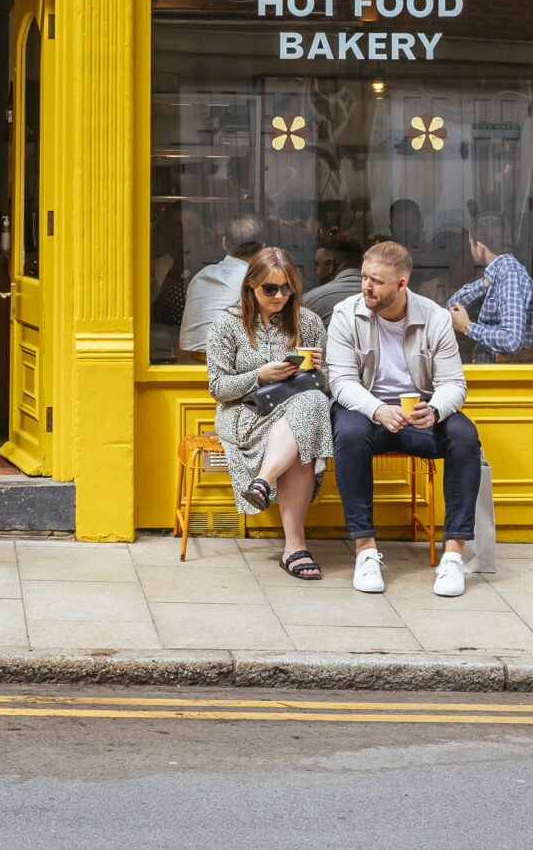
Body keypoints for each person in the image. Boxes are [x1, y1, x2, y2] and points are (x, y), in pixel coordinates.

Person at [324, 242, 483, 598]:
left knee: (464, 434)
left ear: (401, 283)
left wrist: (436, 410)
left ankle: (453, 556)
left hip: (419, 416)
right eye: (364, 277)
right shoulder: (345, 314)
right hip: (368, 413)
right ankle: (365, 551)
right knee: (348, 431)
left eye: (376, 281)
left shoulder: (435, 317)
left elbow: (454, 384)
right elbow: (341, 382)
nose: (366, 286)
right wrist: (377, 409)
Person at [205, 247, 332, 580]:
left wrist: (318, 372)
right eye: (270, 289)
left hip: (296, 412)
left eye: (287, 288)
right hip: (245, 414)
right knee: (307, 424)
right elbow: (218, 387)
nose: (280, 296)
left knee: (312, 405)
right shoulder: (227, 324)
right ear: (251, 286)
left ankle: (263, 482)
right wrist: (260, 375)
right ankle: (296, 548)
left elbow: (329, 385)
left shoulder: (309, 323)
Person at [450, 213, 533, 361]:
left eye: (470, 245)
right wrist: (482, 285)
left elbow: (512, 340)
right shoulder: (495, 274)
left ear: (480, 248)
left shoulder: (510, 275)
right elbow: (451, 306)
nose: (470, 250)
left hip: (502, 379)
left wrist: (467, 327)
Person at [178, 214, 263, 357]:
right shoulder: (253, 281)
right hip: (224, 366)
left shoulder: (200, 276)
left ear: (223, 242)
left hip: (187, 362)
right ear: (262, 249)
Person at [302, 235, 366, 322]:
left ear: (330, 265)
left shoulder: (310, 301)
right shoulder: (378, 297)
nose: (316, 272)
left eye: (318, 264)